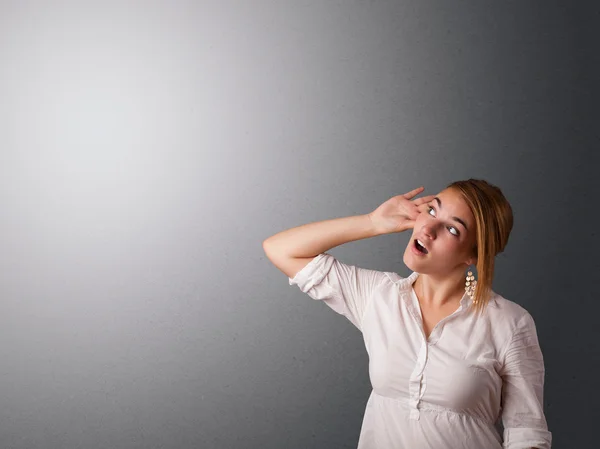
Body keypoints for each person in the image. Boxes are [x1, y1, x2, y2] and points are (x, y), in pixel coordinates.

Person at [262, 179, 551, 449]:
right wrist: (372, 223)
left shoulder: (509, 322)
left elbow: (527, 432)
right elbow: (281, 249)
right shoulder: (380, 296)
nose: (428, 229)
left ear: (473, 256)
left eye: (453, 229)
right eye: (432, 210)